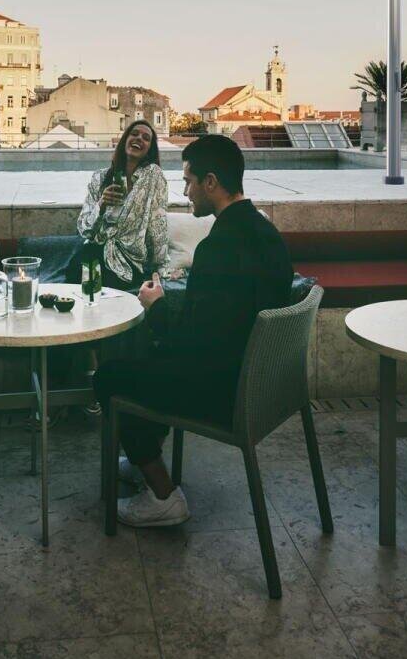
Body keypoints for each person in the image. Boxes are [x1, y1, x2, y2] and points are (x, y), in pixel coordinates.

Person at [92, 134, 293, 527]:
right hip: (260, 385)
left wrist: (156, 306)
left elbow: (192, 342)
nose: (185, 192)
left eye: (188, 181)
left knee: (110, 377)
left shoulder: (218, 248)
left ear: (211, 182)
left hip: (221, 393)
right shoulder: (267, 234)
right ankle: (143, 452)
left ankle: (163, 494)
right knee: (148, 360)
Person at [75, 120, 170, 291]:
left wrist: (159, 266)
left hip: (129, 260)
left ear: (150, 149)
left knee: (103, 285)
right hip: (94, 251)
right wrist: (102, 204)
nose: (139, 138)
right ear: (125, 139)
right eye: (134, 134)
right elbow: (84, 230)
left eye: (146, 138)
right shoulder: (99, 178)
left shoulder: (153, 176)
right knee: (76, 280)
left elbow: (158, 225)